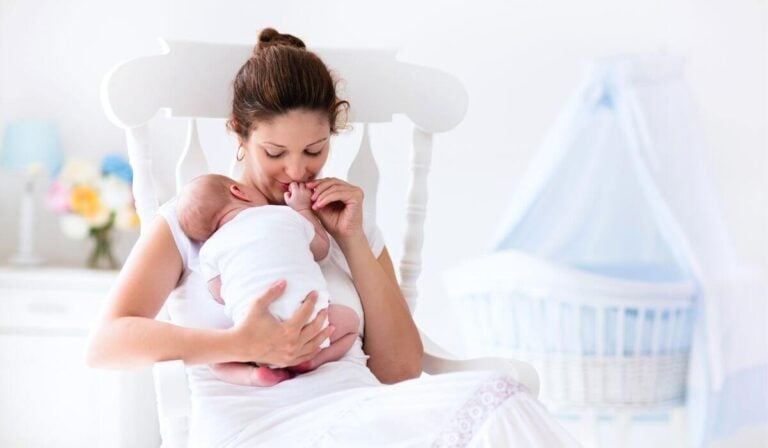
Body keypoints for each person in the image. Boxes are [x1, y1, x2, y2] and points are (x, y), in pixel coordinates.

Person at [86, 27, 580, 447]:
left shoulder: (342, 217)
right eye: (275, 152)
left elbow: (400, 369)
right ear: (239, 133)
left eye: (314, 150)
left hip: (356, 411)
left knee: (499, 399)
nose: (295, 170)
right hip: (257, 427)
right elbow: (106, 344)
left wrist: (352, 239)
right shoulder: (198, 218)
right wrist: (238, 341)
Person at [176, 173, 360, 386]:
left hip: (254, 335)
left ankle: (253, 376)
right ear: (238, 191)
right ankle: (312, 360)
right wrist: (303, 209)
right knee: (351, 322)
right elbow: (320, 249)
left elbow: (219, 295)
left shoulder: (208, 250)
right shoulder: (284, 215)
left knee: (215, 360)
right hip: (312, 325)